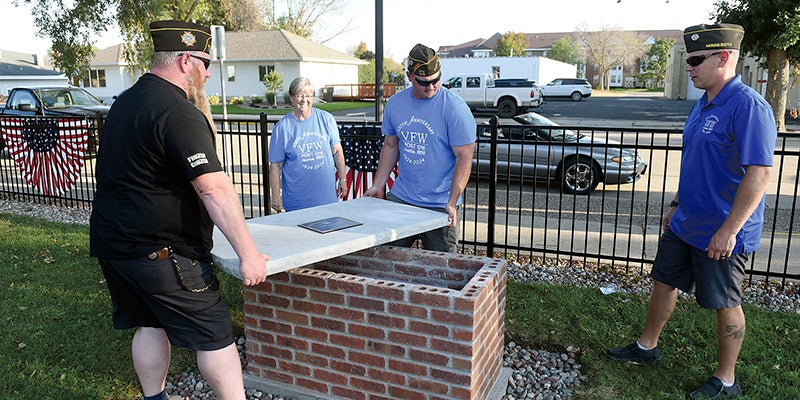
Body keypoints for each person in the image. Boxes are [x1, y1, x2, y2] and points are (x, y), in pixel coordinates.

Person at [89, 20, 269, 400]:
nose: (207, 72)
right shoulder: (178, 111)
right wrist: (248, 254)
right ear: (185, 60)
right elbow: (214, 189)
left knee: (149, 323)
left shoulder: (125, 103)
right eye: (205, 63)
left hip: (115, 247)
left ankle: (154, 397)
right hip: (164, 254)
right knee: (216, 334)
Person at [606, 23, 776, 399]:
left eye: (697, 59)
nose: (689, 67)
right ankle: (647, 346)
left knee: (726, 302)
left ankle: (726, 379)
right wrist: (676, 204)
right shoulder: (702, 102)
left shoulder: (748, 106)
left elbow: (760, 173)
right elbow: (696, 163)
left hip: (722, 232)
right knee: (663, 281)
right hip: (686, 222)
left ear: (724, 57)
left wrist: (730, 230)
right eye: (688, 60)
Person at [363, 43, 476, 253]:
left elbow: (464, 157)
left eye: (436, 80)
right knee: (387, 259)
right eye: (424, 82)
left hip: (440, 203)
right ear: (409, 76)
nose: (432, 87)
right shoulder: (395, 104)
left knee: (442, 267)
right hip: (402, 197)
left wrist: (452, 201)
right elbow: (390, 145)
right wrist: (378, 184)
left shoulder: (455, 108)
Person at [268, 77, 347, 212]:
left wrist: (343, 179)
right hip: (296, 202)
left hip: (326, 199)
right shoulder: (282, 128)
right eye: (299, 95)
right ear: (291, 97)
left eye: (308, 95)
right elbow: (275, 165)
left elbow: (337, 151)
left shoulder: (327, 119)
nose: (304, 100)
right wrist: (275, 195)